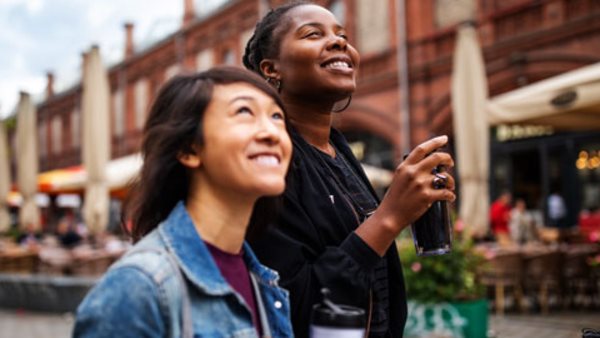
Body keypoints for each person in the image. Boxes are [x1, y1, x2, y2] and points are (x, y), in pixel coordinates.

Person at [243, 3, 456, 337]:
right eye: (314, 34)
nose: (339, 42)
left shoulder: (338, 149)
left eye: (343, 35)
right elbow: (292, 305)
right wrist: (390, 216)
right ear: (272, 69)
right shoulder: (269, 160)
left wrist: (410, 204)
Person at [74, 67, 294, 337]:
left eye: (277, 117)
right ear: (189, 149)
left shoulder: (263, 281)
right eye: (245, 112)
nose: (271, 133)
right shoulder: (140, 287)